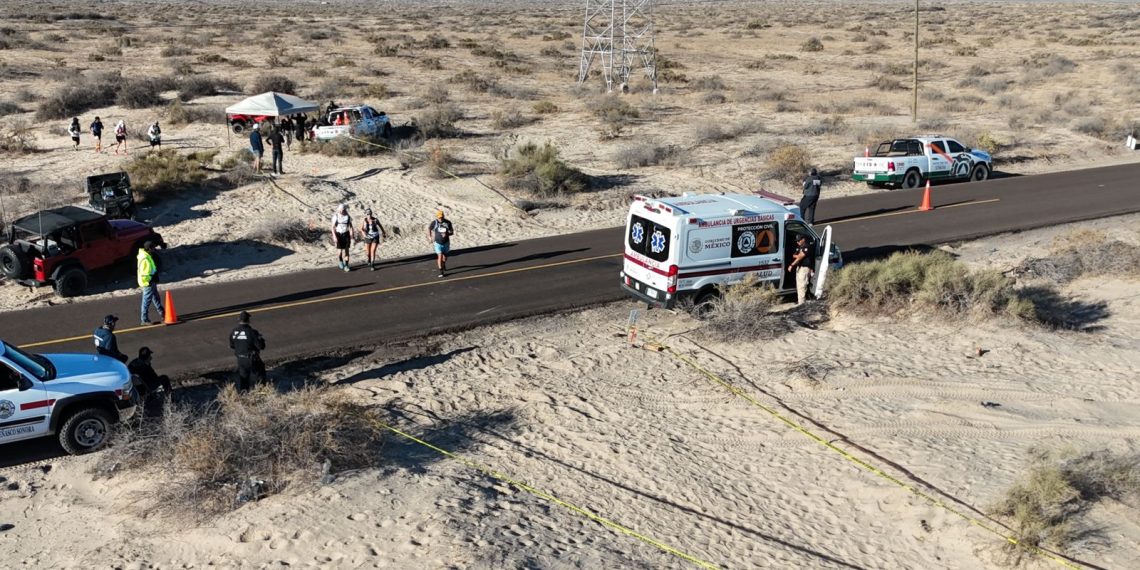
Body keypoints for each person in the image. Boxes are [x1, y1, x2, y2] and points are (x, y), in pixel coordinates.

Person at [229, 311, 266, 392]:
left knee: (244, 379)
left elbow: (232, 345)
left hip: (240, 359)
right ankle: (262, 391)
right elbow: (261, 346)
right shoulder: (252, 332)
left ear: (239, 320)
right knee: (259, 374)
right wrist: (261, 339)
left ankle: (244, 394)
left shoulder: (234, 332)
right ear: (248, 320)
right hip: (251, 359)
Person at [137, 240, 164, 325]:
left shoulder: (147, 255)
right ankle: (144, 319)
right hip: (148, 282)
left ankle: (163, 313)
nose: (154, 249)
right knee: (146, 301)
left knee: (156, 297)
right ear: (149, 248)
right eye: (152, 248)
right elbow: (145, 273)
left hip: (151, 281)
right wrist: (149, 280)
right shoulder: (145, 258)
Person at [787, 234, 816, 306]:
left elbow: (800, 257)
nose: (798, 242)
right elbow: (794, 255)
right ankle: (800, 303)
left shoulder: (807, 246)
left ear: (803, 239)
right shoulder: (800, 247)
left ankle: (802, 304)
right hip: (799, 267)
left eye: (799, 240)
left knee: (802, 286)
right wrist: (799, 256)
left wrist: (791, 265)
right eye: (797, 241)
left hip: (805, 268)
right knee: (799, 286)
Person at [427, 210, 455, 278]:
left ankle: (444, 264)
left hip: (446, 242)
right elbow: (429, 229)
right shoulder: (434, 223)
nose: (440, 219)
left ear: (443, 216)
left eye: (441, 217)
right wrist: (430, 237)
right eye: (439, 217)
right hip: (438, 243)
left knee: (444, 257)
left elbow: (452, 232)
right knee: (440, 256)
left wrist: (447, 234)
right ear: (437, 217)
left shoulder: (448, 222)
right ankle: (441, 271)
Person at [331, 204, 353, 271]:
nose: (341, 211)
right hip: (338, 235)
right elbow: (332, 227)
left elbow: (351, 227)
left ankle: (346, 265)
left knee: (347, 251)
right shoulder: (336, 217)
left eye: (343, 210)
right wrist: (334, 236)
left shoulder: (348, 217)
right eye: (340, 210)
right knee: (340, 251)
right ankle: (340, 261)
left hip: (346, 234)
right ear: (338, 210)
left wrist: (352, 235)